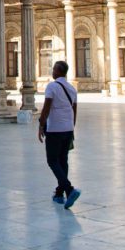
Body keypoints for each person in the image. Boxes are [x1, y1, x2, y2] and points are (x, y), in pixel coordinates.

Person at [39, 60, 80, 209]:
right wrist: (71, 127)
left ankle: (69, 189)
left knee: (52, 160)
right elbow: (74, 110)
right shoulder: (72, 88)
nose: (52, 71)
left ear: (58, 71)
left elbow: (46, 108)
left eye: (54, 69)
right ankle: (59, 193)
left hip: (54, 129)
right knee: (63, 161)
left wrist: (41, 125)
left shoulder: (52, 86)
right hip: (68, 129)